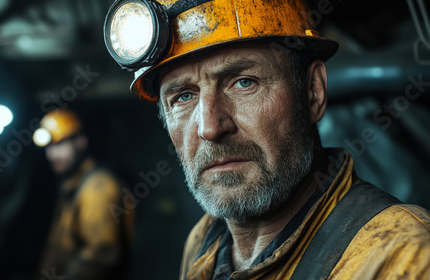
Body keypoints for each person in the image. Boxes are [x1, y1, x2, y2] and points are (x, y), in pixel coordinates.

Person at [103, 0, 430, 279]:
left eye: (243, 82)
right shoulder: (206, 240)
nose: (210, 128)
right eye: (184, 96)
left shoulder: (401, 253)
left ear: (313, 92)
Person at [32, 109, 134, 280]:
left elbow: (101, 254)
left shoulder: (98, 185)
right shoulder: (72, 184)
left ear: (80, 142)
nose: (51, 155)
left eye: (59, 145)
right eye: (49, 147)